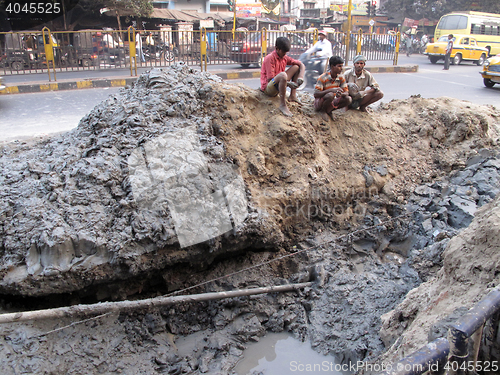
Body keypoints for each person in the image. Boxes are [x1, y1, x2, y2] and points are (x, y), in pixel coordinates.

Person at [260, 36, 305, 117]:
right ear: (277, 48)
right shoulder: (269, 58)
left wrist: (301, 77)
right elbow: (271, 79)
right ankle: (282, 105)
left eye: (286, 53)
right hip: (269, 87)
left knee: (296, 67)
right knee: (283, 75)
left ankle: (292, 96)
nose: (284, 54)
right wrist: (288, 83)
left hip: (280, 83)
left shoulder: (284, 57)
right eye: (283, 52)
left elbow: (301, 64)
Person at [313, 55, 351, 121]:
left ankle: (329, 110)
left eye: (342, 66)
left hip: (331, 101)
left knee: (348, 99)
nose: (341, 68)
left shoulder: (341, 77)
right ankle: (323, 111)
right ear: (332, 66)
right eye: (339, 66)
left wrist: (341, 94)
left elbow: (346, 92)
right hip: (320, 102)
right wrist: (331, 90)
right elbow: (316, 94)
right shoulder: (323, 77)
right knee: (330, 95)